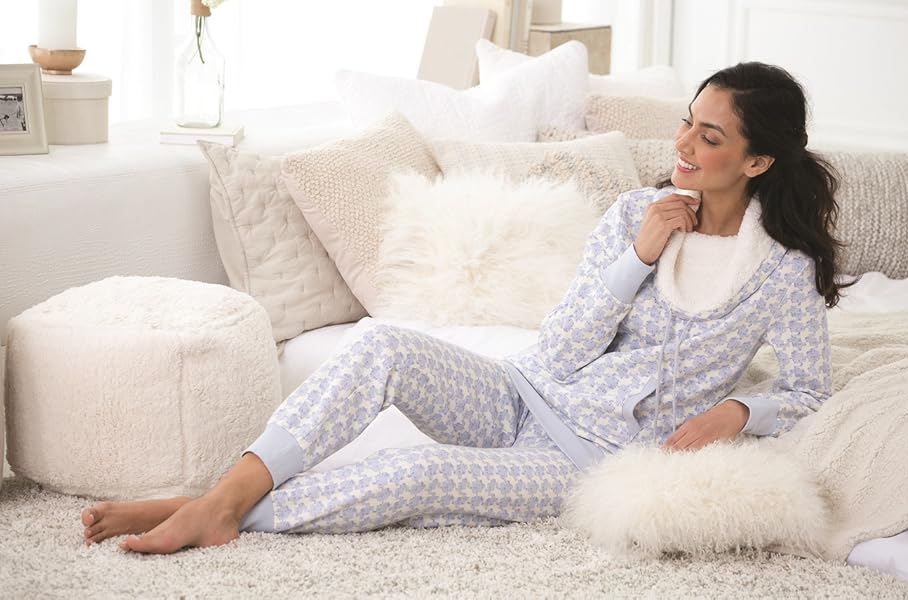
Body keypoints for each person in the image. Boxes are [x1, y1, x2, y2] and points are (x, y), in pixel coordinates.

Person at [80, 61, 844, 554]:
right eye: (686, 120)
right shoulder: (634, 219)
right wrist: (637, 257)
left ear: (757, 160)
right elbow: (556, 353)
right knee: (382, 347)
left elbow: (809, 387)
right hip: (523, 393)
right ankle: (224, 499)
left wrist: (738, 414)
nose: (682, 143)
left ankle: (215, 509)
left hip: (586, 460)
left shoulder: (781, 270)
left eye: (708, 136)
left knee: (413, 475)